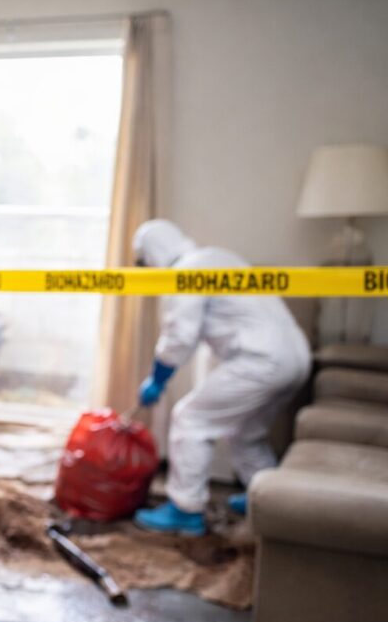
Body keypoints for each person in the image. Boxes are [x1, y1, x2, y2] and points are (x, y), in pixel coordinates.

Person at [131, 221, 310, 536]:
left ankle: (185, 510)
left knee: (190, 419)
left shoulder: (184, 272)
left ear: (153, 255)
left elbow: (180, 336)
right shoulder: (216, 256)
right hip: (296, 358)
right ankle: (266, 499)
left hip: (260, 361)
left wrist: (158, 378)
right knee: (247, 431)